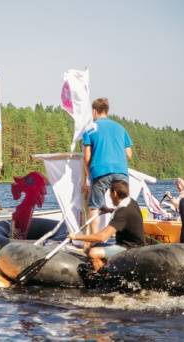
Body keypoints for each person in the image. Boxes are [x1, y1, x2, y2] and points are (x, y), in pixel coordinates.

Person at [69, 180, 145, 271]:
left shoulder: (122, 212)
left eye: (110, 193)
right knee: (99, 247)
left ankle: (104, 278)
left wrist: (76, 237)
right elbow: (123, 215)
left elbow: (102, 237)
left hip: (129, 249)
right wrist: (109, 210)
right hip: (138, 245)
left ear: (115, 193)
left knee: (93, 252)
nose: (109, 196)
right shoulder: (131, 202)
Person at [82, 98, 133, 234]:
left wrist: (88, 178)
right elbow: (129, 154)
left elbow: (86, 157)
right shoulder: (121, 128)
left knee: (94, 207)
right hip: (121, 171)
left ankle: (94, 241)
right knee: (124, 205)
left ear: (94, 111)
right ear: (107, 111)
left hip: (100, 171)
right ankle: (125, 238)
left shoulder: (90, 129)